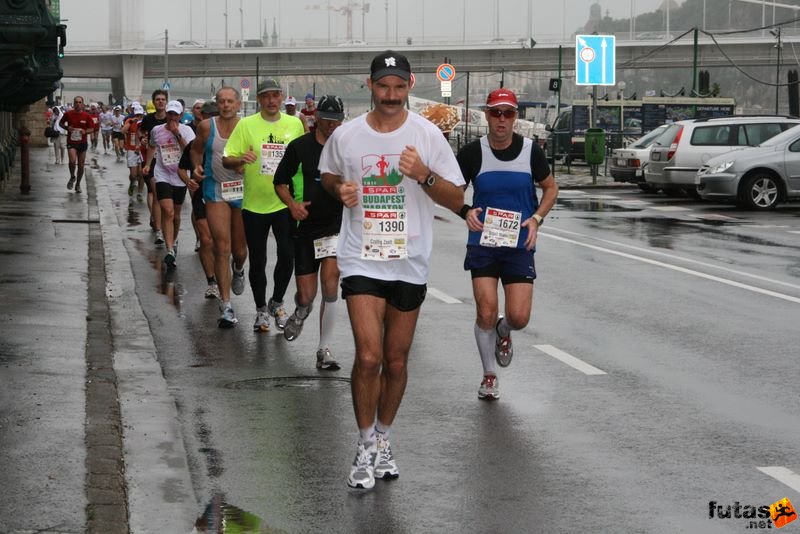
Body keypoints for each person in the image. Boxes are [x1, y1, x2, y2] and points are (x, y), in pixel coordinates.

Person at [319, 51, 465, 490]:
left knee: (396, 360)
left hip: (410, 260)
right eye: (383, 86)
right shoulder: (346, 136)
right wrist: (340, 188)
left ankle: (383, 437)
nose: (391, 95)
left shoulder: (428, 136)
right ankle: (364, 444)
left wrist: (424, 175)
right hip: (362, 255)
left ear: (409, 86)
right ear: (370, 86)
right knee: (368, 356)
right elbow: (327, 174)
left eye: (399, 87)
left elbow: (458, 199)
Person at [455, 88, 559, 401]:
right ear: (486, 114)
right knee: (486, 311)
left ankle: (504, 331)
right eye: (496, 113)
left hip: (518, 244)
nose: (502, 119)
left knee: (519, 317)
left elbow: (551, 189)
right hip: (483, 242)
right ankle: (489, 375)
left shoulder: (531, 151)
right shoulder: (473, 152)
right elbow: (452, 189)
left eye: (508, 113)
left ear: (516, 117)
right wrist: (465, 210)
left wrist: (537, 219)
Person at [222, 78, 305, 333]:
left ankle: (277, 302)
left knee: (287, 254)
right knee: (258, 260)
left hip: (284, 201)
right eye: (266, 96)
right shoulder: (246, 125)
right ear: (259, 100)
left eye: (275, 95)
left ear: (281, 97)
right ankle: (260, 310)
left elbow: (301, 164)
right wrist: (240, 158)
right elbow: (227, 159)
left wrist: (299, 200)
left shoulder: (295, 124)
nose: (271, 100)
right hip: (255, 204)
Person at [274, 95, 346, 370]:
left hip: (335, 225)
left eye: (337, 122)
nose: (331, 127)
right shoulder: (299, 147)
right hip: (305, 226)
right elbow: (280, 182)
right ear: (316, 118)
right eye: (327, 121)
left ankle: (323, 349)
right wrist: (292, 206)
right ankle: (301, 310)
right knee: (306, 294)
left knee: (330, 283)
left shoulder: (346, 149)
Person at [193, 90, 249, 328]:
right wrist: (196, 167)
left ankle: (238, 269)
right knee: (221, 246)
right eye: (222, 101)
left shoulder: (247, 126)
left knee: (239, 251)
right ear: (217, 104)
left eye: (230, 101)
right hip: (216, 189)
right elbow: (195, 149)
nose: (225, 105)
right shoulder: (206, 127)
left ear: (238, 104)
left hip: (243, 191)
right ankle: (225, 305)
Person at [142, 100, 196, 271]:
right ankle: (170, 249)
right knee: (168, 210)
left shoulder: (187, 130)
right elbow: (151, 146)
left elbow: (191, 152)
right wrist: (148, 164)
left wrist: (177, 134)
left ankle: (174, 238)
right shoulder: (157, 130)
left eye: (175, 114)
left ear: (180, 115)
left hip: (180, 175)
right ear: (166, 113)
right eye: (170, 113)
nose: (172, 117)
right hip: (162, 174)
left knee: (176, 214)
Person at [140, 89, 169, 245]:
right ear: (153, 101)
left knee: (168, 200)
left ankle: (163, 224)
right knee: (157, 194)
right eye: (157, 99)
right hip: (152, 162)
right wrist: (143, 139)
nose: (160, 101)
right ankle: (158, 231)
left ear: (166, 102)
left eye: (163, 99)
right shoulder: (148, 119)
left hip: (169, 163)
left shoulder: (171, 119)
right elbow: (141, 133)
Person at [59, 96, 94, 193]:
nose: (78, 104)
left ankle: (78, 184)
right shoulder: (68, 114)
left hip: (82, 143)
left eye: (80, 102)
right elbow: (60, 123)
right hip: (71, 142)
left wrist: (85, 131)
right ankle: (72, 176)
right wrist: (67, 128)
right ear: (74, 103)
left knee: (81, 165)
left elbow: (92, 129)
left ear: (82, 104)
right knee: (72, 161)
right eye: (76, 102)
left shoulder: (87, 116)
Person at [121, 103, 145, 200]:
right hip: (131, 150)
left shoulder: (145, 122)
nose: (138, 117)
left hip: (142, 150)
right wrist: (131, 122)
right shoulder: (129, 120)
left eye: (140, 115)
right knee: (133, 175)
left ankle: (139, 193)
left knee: (142, 173)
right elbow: (122, 131)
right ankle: (132, 183)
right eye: (137, 115)